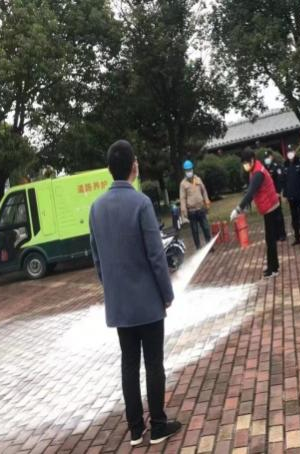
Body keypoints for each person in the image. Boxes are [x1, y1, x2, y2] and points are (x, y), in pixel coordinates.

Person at [89, 140, 182, 446]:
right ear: (133, 166)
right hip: (147, 302)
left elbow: (97, 258)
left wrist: (112, 288)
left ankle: (135, 429)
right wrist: (167, 293)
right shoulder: (141, 203)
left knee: (129, 364)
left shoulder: (96, 208)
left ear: (109, 169)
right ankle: (158, 425)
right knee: (154, 363)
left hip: (120, 305)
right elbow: (156, 256)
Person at [231, 149, 282, 278]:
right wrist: (246, 206)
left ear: (252, 160)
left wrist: (238, 209)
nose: (245, 165)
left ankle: (274, 268)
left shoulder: (258, 173)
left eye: (246, 162)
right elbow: (252, 191)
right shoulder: (254, 169)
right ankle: (272, 266)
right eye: (244, 163)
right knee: (269, 239)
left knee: (270, 239)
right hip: (268, 207)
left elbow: (251, 191)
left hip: (271, 207)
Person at [179, 160, 211, 250]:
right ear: (185, 171)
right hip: (191, 211)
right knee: (195, 231)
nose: (189, 171)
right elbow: (182, 198)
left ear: (192, 169)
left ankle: (209, 245)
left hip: (201, 208)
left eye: (190, 169)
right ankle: (198, 247)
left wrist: (207, 201)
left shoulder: (198, 179)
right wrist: (184, 212)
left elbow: (204, 191)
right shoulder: (183, 184)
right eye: (187, 170)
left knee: (206, 227)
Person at [283, 147, 300, 245]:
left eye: (291, 152)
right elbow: (284, 181)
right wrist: (285, 194)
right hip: (291, 196)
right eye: (288, 152)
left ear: (294, 152)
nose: (290, 154)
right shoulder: (285, 165)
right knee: (294, 218)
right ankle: (297, 238)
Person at [264, 150, 287, 241]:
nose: (267, 159)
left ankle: (282, 234)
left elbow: (280, 180)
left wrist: (278, 191)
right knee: (271, 215)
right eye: (266, 157)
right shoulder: (264, 168)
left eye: (268, 157)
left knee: (278, 215)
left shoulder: (276, 167)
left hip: (275, 194)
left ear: (272, 157)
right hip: (268, 196)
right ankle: (276, 234)